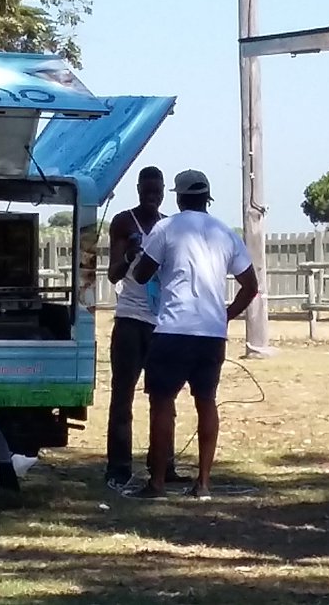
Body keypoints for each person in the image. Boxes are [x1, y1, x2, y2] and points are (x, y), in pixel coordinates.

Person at [124, 169, 259, 500]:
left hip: (173, 329)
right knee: (206, 402)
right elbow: (250, 286)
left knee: (161, 404)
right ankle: (203, 483)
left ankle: (156, 483)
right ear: (207, 198)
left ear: (179, 198)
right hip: (211, 334)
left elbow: (141, 275)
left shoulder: (166, 228)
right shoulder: (225, 233)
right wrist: (225, 315)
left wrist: (138, 253)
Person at [103, 166, 189, 490]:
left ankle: (163, 465)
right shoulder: (124, 222)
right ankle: (119, 468)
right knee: (122, 397)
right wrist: (129, 254)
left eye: (157, 191)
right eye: (146, 190)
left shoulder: (168, 227)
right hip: (129, 320)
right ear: (138, 189)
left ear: (164, 191)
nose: (151, 196)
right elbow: (113, 274)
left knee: (164, 397)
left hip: (161, 323)